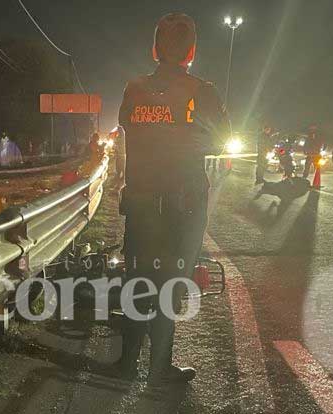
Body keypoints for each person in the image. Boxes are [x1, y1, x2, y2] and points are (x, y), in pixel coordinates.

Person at [115, 12, 230, 383]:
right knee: (169, 284)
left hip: (141, 203)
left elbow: (128, 124)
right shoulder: (203, 92)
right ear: (192, 51)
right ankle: (159, 368)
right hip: (183, 207)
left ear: (154, 49)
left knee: (136, 280)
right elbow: (218, 139)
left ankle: (126, 363)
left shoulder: (133, 89)